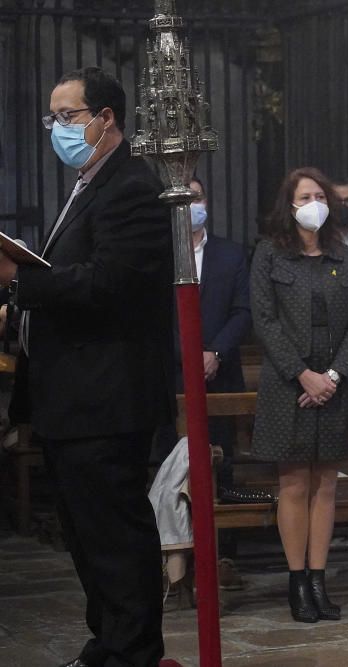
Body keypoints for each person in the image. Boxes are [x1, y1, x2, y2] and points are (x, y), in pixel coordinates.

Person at [0, 66, 173, 667]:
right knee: (84, 534)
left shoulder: (131, 186)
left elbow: (112, 281)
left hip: (107, 395)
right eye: (53, 117)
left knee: (115, 536)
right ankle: (107, 646)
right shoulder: (87, 183)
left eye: (68, 116)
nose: (58, 127)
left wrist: (21, 281)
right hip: (72, 396)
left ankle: (131, 654)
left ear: (106, 119)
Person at [249, 167, 348, 623]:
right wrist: (303, 375)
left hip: (334, 383)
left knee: (327, 486)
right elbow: (265, 321)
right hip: (289, 384)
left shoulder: (344, 254)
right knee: (295, 483)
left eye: (320, 194)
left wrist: (333, 375)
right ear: (289, 204)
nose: (313, 202)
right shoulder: (269, 255)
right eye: (305, 196)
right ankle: (297, 581)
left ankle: (319, 579)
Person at [154, 176, 252, 594]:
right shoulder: (159, 255)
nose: (192, 203)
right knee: (172, 465)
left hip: (221, 375)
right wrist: (189, 356)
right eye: (185, 198)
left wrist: (215, 353)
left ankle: (220, 555)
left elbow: (243, 311)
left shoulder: (230, 254)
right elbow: (156, 316)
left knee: (219, 463)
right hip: (173, 376)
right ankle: (176, 557)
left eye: (198, 197)